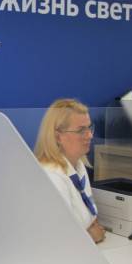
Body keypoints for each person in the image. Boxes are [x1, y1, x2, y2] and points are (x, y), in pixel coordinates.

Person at [34, 99, 106, 243]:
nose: (90, 135)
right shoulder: (52, 176)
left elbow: (90, 219)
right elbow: (55, 238)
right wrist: (89, 237)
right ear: (58, 137)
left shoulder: (79, 166)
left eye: (89, 128)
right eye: (81, 130)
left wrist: (89, 229)